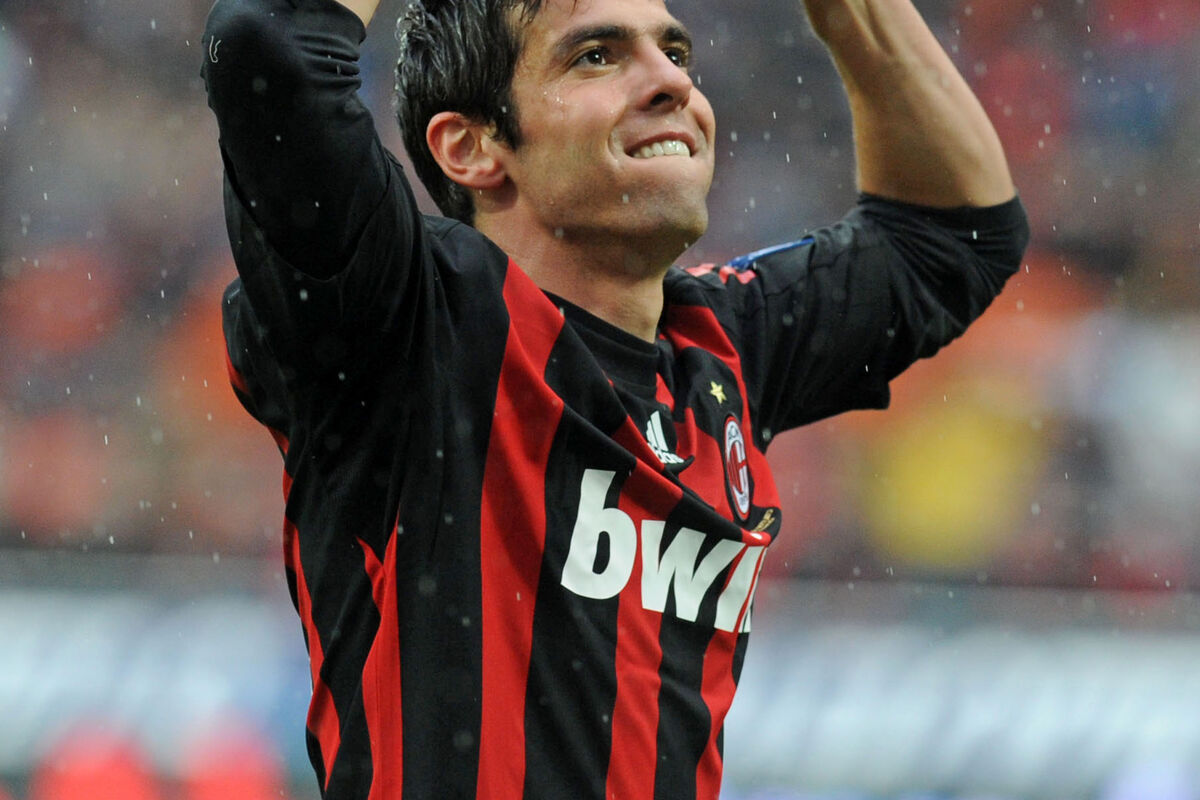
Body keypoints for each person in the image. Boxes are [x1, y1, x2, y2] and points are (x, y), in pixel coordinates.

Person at [201, 0, 1028, 796]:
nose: (672, 83)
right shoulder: (408, 322)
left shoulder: (721, 348)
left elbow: (951, 236)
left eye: (675, 52)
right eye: (596, 56)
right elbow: (269, 46)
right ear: (471, 147)